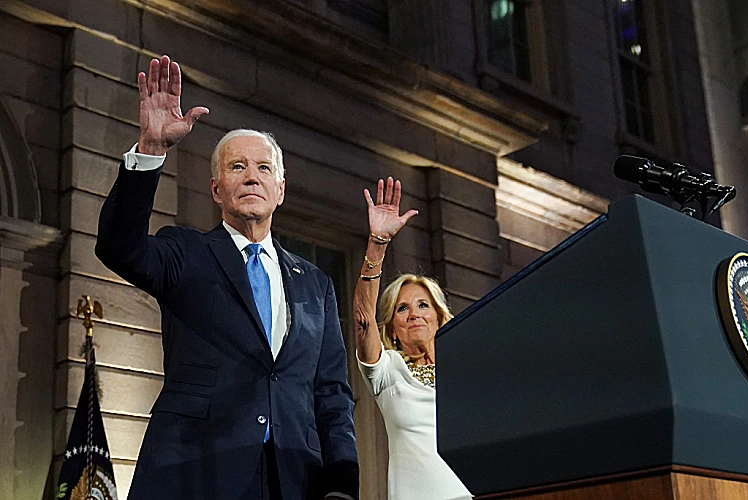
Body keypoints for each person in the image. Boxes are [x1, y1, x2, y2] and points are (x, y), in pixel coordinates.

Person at [95, 55, 358, 500]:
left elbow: (331, 393)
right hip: (197, 472)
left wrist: (342, 484)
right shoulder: (187, 252)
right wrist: (151, 148)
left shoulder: (315, 283)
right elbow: (120, 248)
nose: (251, 177)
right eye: (237, 167)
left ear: (280, 190)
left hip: (295, 478)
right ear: (217, 189)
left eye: (264, 169)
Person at [352, 178, 472, 500]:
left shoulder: (466, 373)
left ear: (439, 316)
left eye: (423, 305)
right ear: (392, 328)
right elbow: (364, 321)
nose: (414, 314)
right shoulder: (388, 370)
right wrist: (377, 243)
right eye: (402, 309)